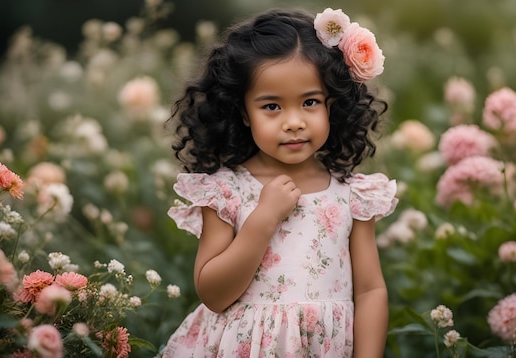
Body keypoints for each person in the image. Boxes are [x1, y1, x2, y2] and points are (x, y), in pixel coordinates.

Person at [160, 7, 398, 358]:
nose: (294, 122)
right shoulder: (227, 192)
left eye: (310, 102)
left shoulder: (352, 195)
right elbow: (213, 294)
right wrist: (262, 219)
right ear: (243, 112)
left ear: (332, 105)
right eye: (272, 107)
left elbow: (369, 290)